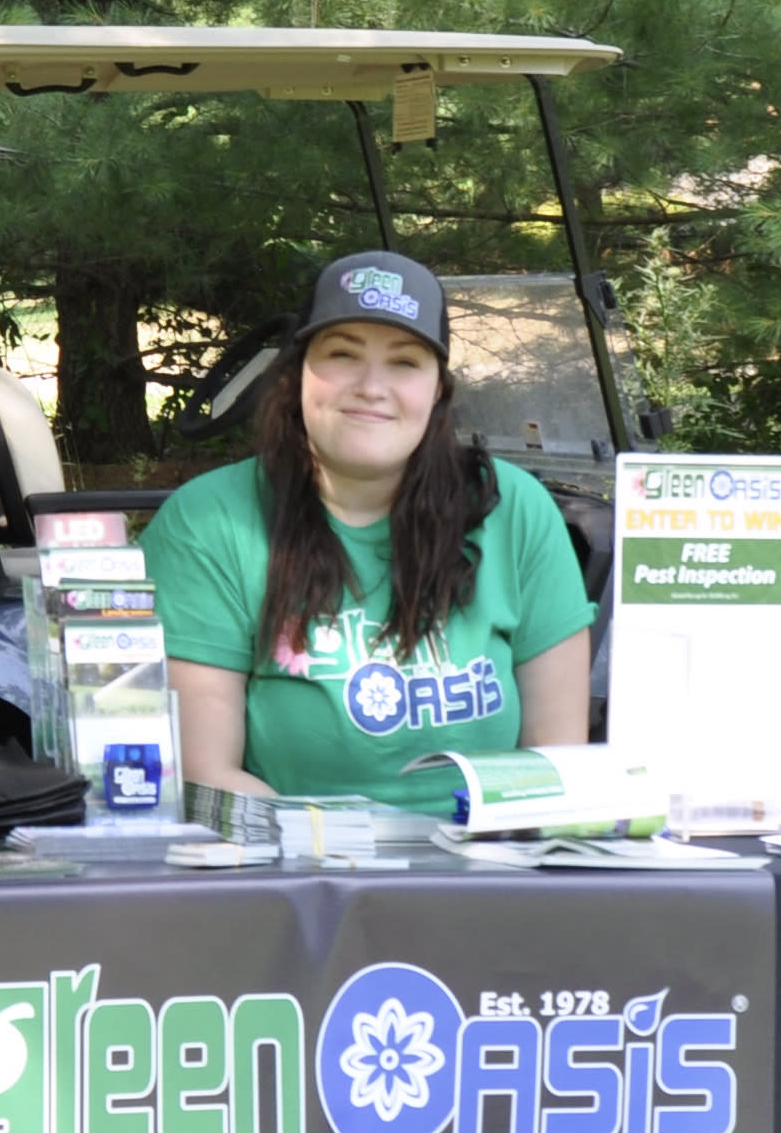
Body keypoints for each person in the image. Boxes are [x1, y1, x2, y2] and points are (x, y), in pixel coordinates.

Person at [141, 250, 594, 814]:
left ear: (438, 389)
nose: (372, 386)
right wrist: (340, 855)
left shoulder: (515, 509)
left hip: (491, 854)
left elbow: (556, 761)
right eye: (342, 354)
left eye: (405, 362)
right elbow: (206, 774)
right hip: (293, 857)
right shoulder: (207, 522)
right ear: (297, 373)